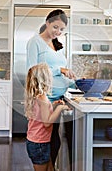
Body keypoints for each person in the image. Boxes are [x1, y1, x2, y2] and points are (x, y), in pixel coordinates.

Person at [26, 9, 76, 168]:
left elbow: (61, 73)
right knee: (47, 140)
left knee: (54, 140)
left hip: (59, 98)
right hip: (47, 98)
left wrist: (74, 81)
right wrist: (59, 70)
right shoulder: (35, 42)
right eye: (55, 27)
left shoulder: (57, 46)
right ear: (47, 23)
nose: (58, 32)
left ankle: (51, 167)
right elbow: (32, 70)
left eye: (61, 29)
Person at [25, 63, 70, 171]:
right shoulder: (43, 99)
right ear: (45, 80)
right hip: (39, 144)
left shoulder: (38, 96)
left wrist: (53, 105)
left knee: (50, 168)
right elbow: (47, 122)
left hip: (36, 141)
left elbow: (41, 113)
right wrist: (60, 108)